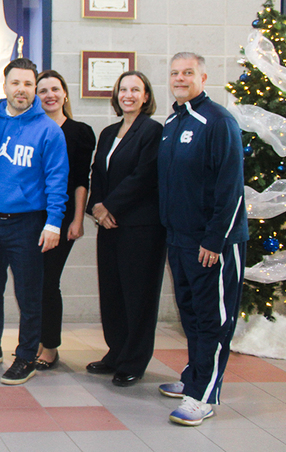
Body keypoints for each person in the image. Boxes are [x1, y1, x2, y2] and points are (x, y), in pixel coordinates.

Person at [157, 52, 247, 426]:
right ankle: (194, 376)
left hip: (213, 245)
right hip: (179, 240)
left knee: (213, 319)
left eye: (188, 72)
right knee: (191, 314)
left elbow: (232, 189)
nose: (180, 78)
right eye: (175, 73)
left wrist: (214, 239)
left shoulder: (218, 121)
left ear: (203, 77)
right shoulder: (172, 120)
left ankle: (204, 395)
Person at [0, 58, 68, 385]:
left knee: (29, 294)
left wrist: (54, 223)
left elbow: (57, 179)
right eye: (16, 83)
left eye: (28, 84)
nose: (21, 90)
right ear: (5, 86)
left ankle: (26, 356)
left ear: (34, 88)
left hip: (28, 224)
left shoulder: (49, 130)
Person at [86, 70, 165, 387]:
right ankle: (116, 352)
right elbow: (96, 174)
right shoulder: (108, 132)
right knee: (113, 291)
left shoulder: (152, 131)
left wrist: (110, 206)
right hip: (108, 226)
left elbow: (144, 176)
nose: (128, 94)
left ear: (146, 96)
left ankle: (134, 360)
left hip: (140, 227)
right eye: (123, 89)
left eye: (136, 89)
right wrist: (96, 206)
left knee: (138, 294)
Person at [34, 70, 95, 370]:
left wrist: (78, 219)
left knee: (48, 281)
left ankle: (51, 347)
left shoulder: (80, 132)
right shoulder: (30, 128)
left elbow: (81, 180)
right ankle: (36, 340)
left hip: (62, 216)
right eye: (42, 90)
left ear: (65, 94)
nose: (49, 95)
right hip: (32, 216)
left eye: (55, 89)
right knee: (32, 282)